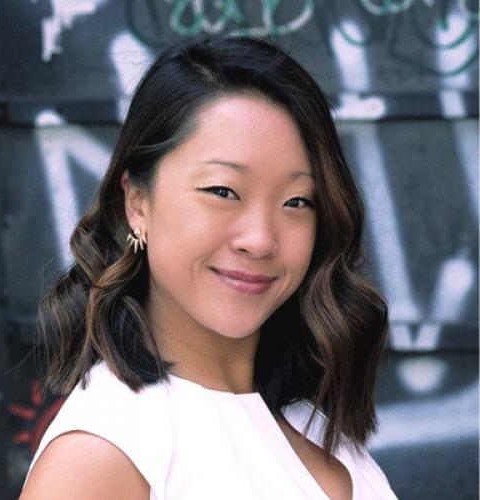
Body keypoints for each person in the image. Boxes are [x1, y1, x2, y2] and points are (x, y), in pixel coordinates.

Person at [20, 36, 398, 499]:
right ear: (137, 202)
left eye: (297, 201)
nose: (260, 239)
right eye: (222, 191)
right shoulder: (102, 453)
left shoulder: (310, 423)